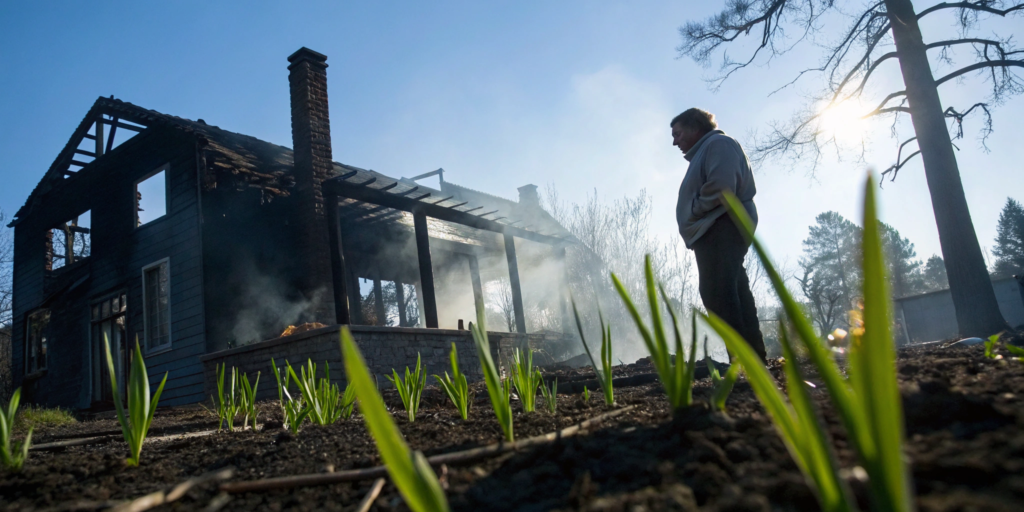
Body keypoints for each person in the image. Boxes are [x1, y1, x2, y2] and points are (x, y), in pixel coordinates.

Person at [672, 108, 767, 361]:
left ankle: (743, 361)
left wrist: (693, 210)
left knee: (718, 293)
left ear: (696, 128)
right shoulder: (708, 150)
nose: (675, 141)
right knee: (732, 289)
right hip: (715, 228)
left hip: (720, 226)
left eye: (678, 133)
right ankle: (752, 359)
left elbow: (722, 186)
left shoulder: (718, 143)